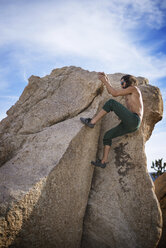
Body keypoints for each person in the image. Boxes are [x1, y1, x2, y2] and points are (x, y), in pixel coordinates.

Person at [80, 72, 144, 168]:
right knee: (107, 136)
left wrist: (104, 81)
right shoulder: (128, 92)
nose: (121, 85)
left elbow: (114, 94)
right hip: (131, 124)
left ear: (128, 82)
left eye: (122, 83)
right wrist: (106, 79)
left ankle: (92, 122)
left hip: (134, 120)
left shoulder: (133, 89)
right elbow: (112, 91)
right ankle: (103, 162)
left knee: (111, 103)